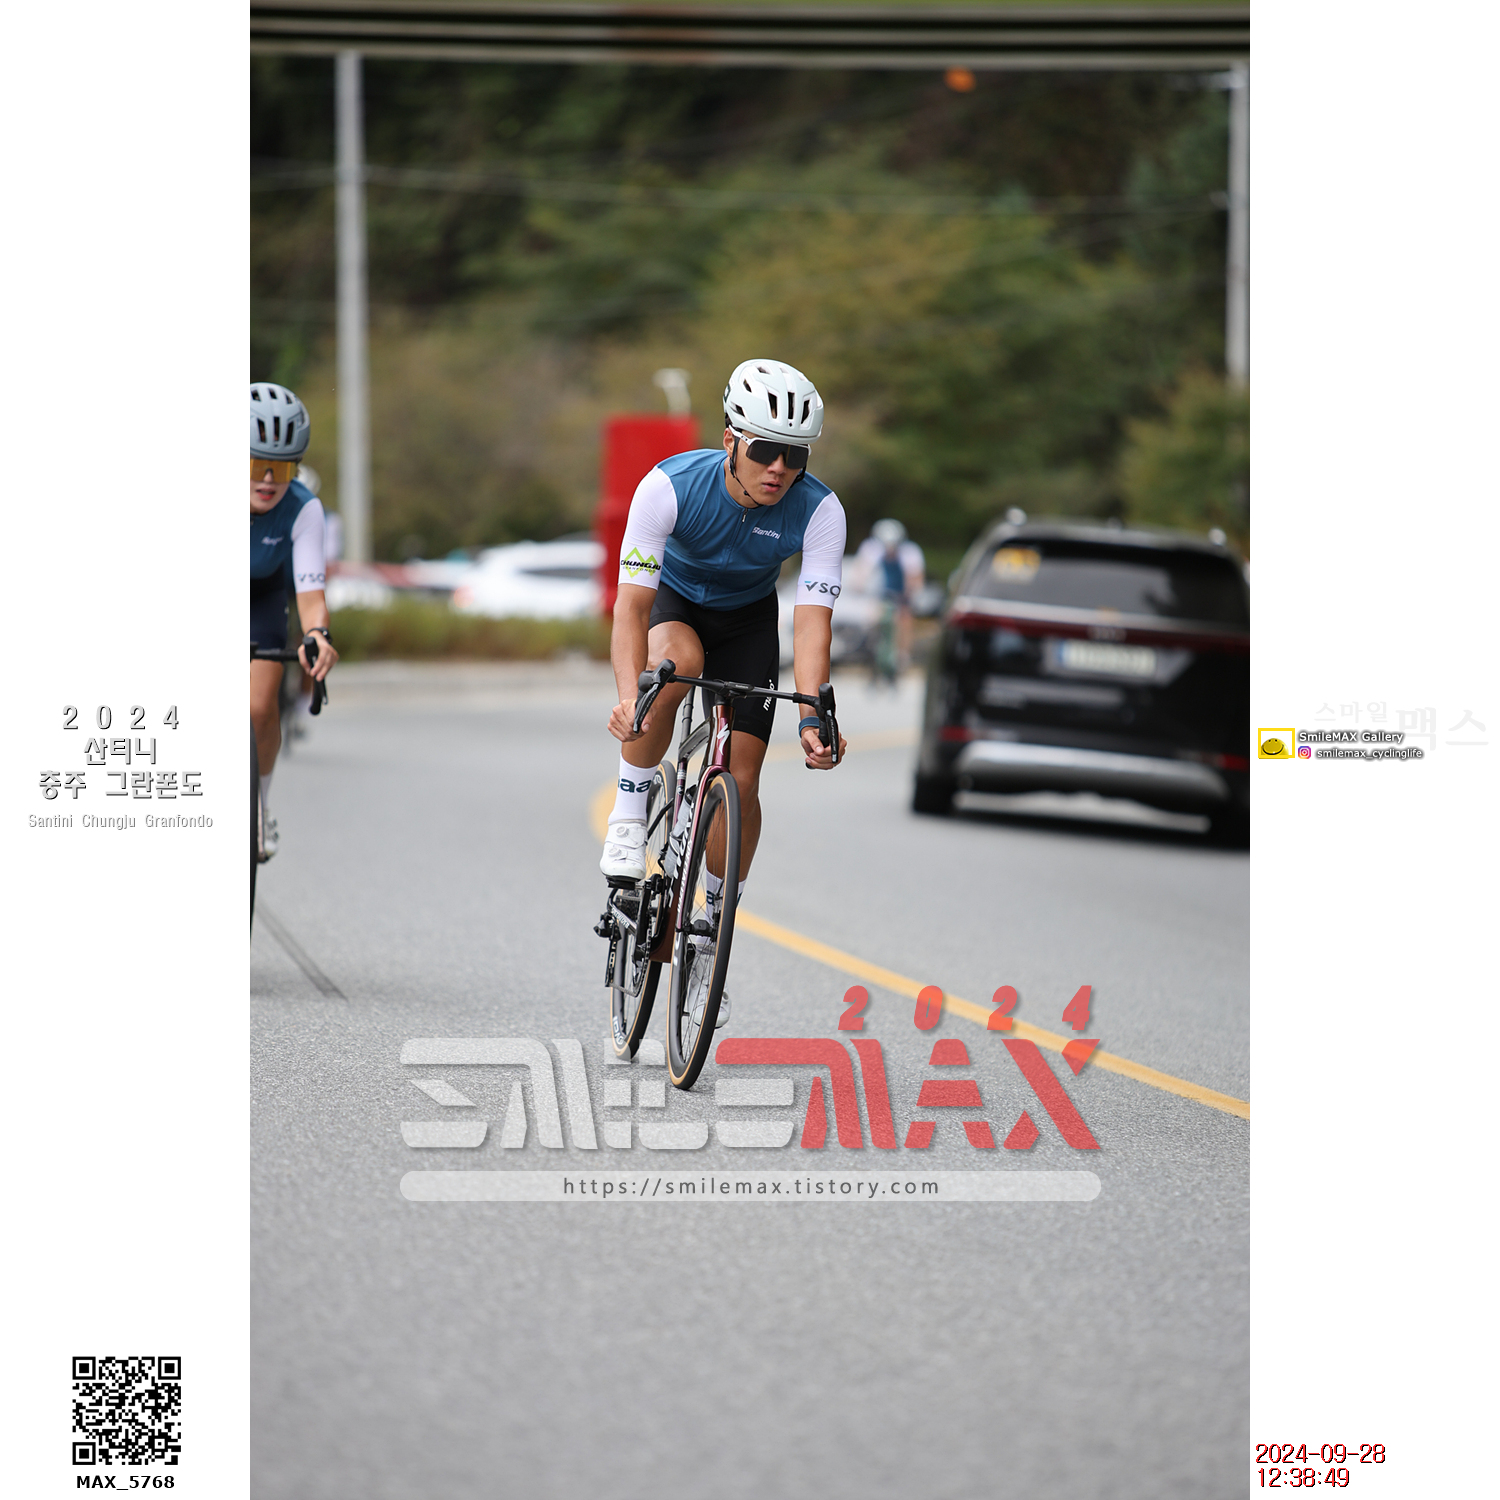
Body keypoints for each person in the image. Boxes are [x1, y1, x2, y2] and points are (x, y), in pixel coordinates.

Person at [599, 359, 849, 1026]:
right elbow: (630, 608)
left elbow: (811, 624)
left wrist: (813, 716)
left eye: (795, 455)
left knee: (742, 779)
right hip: (675, 605)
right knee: (675, 664)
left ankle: (712, 926)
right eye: (764, 450)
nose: (779, 469)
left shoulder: (820, 510)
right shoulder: (669, 487)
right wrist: (629, 698)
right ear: (731, 439)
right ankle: (629, 815)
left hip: (747, 623)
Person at [250, 382, 338, 858]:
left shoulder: (303, 507)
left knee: (259, 706)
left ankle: (258, 807)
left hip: (261, 596)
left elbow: (311, 595)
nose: (268, 479)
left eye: (282, 468)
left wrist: (317, 635)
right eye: (255, 465)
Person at [854, 518, 925, 675]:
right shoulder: (870, 549)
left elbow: (915, 577)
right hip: (878, 594)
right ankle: (870, 652)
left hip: (900, 595)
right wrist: (860, 585)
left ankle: (903, 655)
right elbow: (861, 574)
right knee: (872, 617)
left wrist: (911, 591)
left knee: (904, 618)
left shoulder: (910, 551)